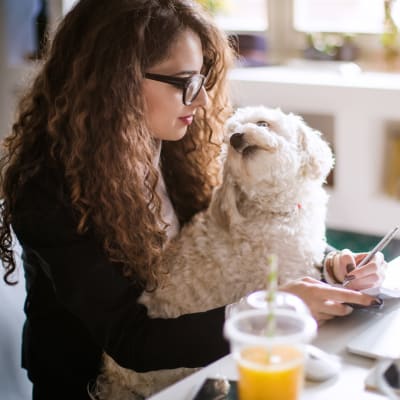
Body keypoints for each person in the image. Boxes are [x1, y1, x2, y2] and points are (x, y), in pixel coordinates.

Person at [0, 0, 386, 399]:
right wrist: (265, 310)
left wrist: (329, 263)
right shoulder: (47, 191)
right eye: (184, 81)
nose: (201, 101)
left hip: (190, 364)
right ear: (117, 82)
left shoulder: (176, 140)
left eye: (201, 80)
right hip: (87, 383)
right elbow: (131, 339)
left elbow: (247, 223)